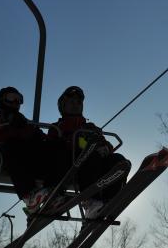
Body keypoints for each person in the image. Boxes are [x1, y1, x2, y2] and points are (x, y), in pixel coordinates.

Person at [0, 87, 70, 213]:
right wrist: (4, 118)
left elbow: (39, 135)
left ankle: (53, 192)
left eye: (18, 99)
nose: (15, 102)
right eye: (11, 97)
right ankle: (29, 196)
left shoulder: (23, 121)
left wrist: (55, 143)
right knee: (13, 143)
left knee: (56, 146)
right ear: (2, 100)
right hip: (4, 157)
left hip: (27, 157)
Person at [48, 86, 131, 219]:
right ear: (63, 106)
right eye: (72, 102)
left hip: (96, 163)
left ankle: (109, 201)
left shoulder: (91, 127)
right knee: (90, 154)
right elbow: (54, 149)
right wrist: (78, 144)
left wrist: (105, 148)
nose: (76, 105)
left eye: (79, 103)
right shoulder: (57, 127)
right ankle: (92, 201)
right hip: (73, 165)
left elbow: (106, 143)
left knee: (118, 159)